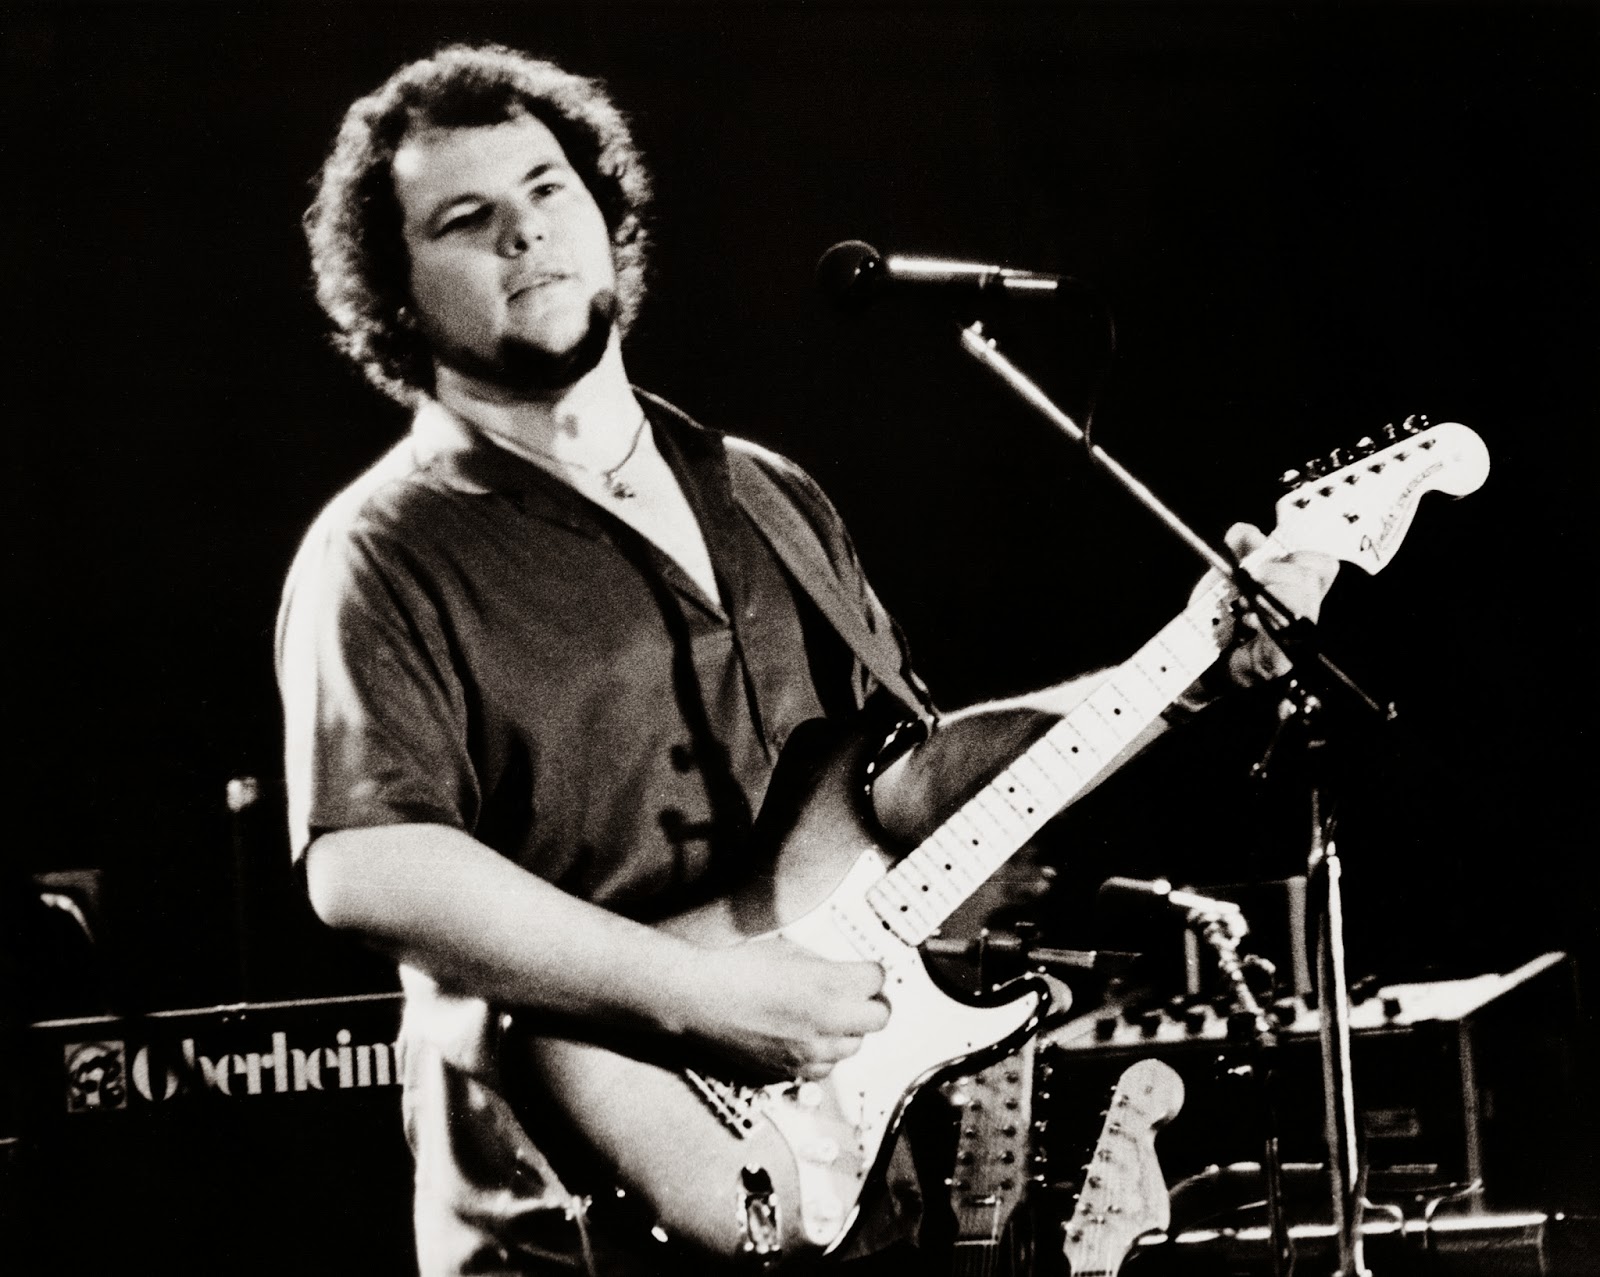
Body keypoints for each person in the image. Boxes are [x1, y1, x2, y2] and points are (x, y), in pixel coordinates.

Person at [277, 42, 1336, 1277]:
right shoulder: (381, 548)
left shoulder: (765, 491)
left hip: (844, 1189)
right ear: (395, 297)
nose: (524, 232)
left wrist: (1190, 665)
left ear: (607, 215)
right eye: (465, 220)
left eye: (548, 187)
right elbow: (372, 866)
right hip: (574, 1226)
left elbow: (901, 789)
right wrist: (701, 997)